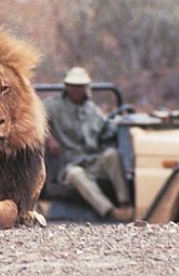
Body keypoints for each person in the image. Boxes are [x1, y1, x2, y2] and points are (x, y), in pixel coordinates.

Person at [44, 67, 133, 221]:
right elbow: (33, 119)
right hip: (69, 163)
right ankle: (110, 212)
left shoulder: (93, 110)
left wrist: (123, 123)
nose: (76, 90)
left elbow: (106, 129)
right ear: (67, 87)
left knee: (111, 155)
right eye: (73, 86)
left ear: (86, 88)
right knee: (76, 174)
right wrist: (48, 137)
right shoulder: (53, 106)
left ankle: (125, 204)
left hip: (92, 160)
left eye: (80, 86)